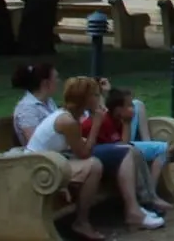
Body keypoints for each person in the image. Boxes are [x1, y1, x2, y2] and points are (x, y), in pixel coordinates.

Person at [24, 75, 164, 235]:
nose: (99, 99)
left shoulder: (71, 116)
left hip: (53, 160)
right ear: (85, 99)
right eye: (96, 95)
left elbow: (79, 145)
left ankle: (137, 207)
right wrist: (96, 124)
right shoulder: (67, 121)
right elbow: (84, 153)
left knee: (120, 153)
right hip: (39, 166)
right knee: (94, 165)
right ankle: (82, 222)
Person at [82, 87, 172, 215]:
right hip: (97, 158)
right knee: (133, 151)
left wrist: (127, 122)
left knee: (136, 151)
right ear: (118, 109)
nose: (132, 109)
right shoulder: (104, 121)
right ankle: (147, 200)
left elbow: (123, 143)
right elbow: (122, 147)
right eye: (129, 105)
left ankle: (150, 197)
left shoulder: (117, 120)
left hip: (115, 155)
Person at [11, 61, 60, 146]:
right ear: (45, 83)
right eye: (56, 78)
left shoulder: (49, 101)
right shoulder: (26, 109)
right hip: (42, 154)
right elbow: (35, 144)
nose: (58, 81)